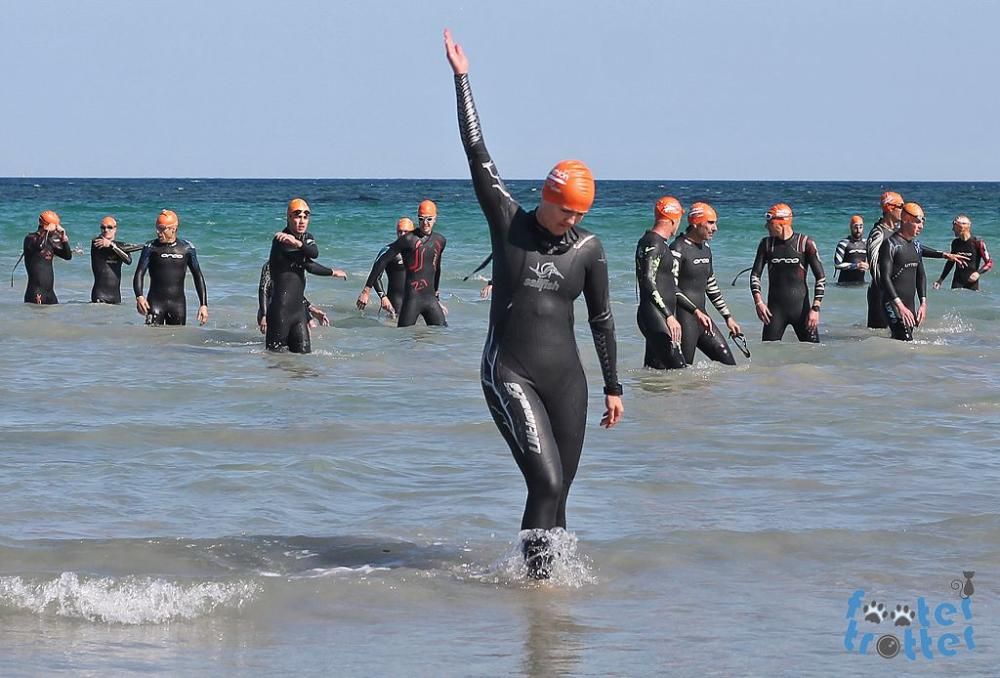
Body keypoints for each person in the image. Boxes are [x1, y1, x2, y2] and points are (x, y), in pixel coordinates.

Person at [445, 28, 623, 579]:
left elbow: (601, 318)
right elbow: (478, 153)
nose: (572, 221)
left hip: (567, 380)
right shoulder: (509, 222)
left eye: (579, 214)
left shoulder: (589, 250)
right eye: (566, 211)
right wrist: (462, 78)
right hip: (509, 369)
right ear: (547, 198)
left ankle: (547, 605)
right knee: (543, 482)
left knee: (561, 492)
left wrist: (615, 386)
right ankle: (537, 585)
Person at [867, 191, 967, 327]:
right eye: (901, 206)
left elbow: (911, 249)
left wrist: (944, 255)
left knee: (894, 335)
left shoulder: (896, 232)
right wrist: (887, 291)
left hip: (894, 292)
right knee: (878, 334)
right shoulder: (878, 233)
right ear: (889, 208)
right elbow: (873, 265)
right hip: (881, 293)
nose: (904, 209)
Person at [262, 198, 347, 353]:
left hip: (299, 312)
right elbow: (308, 265)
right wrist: (332, 272)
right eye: (297, 216)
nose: (301, 221)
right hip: (280, 311)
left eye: (305, 216)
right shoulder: (281, 239)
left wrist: (299, 244)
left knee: (304, 363)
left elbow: (314, 253)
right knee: (276, 362)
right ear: (288, 217)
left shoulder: (306, 237)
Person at [357, 200, 448, 327]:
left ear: (435, 219)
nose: (425, 223)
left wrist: (437, 296)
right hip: (411, 300)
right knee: (403, 337)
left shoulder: (440, 240)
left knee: (443, 332)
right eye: (421, 219)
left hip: (430, 299)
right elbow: (381, 262)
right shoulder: (406, 241)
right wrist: (367, 290)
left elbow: (436, 268)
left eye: (429, 219)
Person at [671, 202, 741, 365]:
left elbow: (711, 286)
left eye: (715, 223)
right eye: (710, 222)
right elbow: (671, 288)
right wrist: (694, 311)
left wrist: (728, 317)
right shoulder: (678, 248)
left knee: (729, 365)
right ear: (695, 223)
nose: (715, 228)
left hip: (703, 319)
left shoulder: (705, 249)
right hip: (684, 320)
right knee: (683, 372)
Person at [749, 203, 825, 342]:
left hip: (802, 312)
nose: (766, 227)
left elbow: (820, 277)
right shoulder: (766, 244)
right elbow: (755, 275)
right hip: (774, 313)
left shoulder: (805, 243)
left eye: (769, 223)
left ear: (781, 223)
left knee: (814, 354)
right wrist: (758, 302)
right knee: (768, 354)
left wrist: (815, 309)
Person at [133, 209, 209, 325]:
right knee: (152, 339)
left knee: (176, 340)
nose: (158, 232)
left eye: (162, 228)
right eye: (157, 228)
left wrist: (203, 305)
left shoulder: (187, 248)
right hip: (155, 303)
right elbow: (139, 273)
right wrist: (139, 296)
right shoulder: (150, 247)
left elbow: (197, 276)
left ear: (173, 229)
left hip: (178, 305)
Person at [634, 196, 685, 369]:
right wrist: (668, 315)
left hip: (654, 316)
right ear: (673, 219)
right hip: (655, 316)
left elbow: (667, 285)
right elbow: (647, 280)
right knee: (679, 371)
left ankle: (649, 397)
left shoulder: (652, 241)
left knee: (655, 372)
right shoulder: (654, 243)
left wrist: (695, 311)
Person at [878, 202, 928, 341]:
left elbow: (921, 276)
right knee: (905, 339)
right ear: (905, 220)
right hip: (892, 302)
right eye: (917, 222)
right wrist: (899, 305)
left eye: (922, 223)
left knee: (902, 343)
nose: (921, 227)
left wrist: (923, 303)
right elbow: (885, 278)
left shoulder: (916, 246)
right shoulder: (890, 244)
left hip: (910, 304)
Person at [22, 210, 72, 304]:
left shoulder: (49, 242)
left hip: (50, 293)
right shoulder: (30, 239)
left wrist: (64, 239)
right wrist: (47, 230)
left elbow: (67, 256)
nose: (56, 230)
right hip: (36, 293)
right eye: (54, 227)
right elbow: (39, 246)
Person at [90, 215, 144, 303]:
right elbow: (127, 248)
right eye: (103, 228)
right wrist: (143, 246)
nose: (106, 230)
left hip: (116, 296)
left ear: (115, 229)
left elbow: (128, 261)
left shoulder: (118, 246)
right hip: (100, 295)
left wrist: (112, 246)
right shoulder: (96, 243)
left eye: (109, 227)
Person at [369, 217, 415, 318]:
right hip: (395, 305)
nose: (402, 235)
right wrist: (383, 297)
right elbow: (375, 276)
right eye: (400, 232)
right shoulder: (388, 251)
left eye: (406, 232)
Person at [934, 215, 992, 290]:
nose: (952, 229)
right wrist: (940, 280)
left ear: (961, 227)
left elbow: (989, 263)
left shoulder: (978, 243)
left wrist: (978, 273)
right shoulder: (955, 243)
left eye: (954, 227)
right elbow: (950, 262)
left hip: (972, 283)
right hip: (957, 282)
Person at [833, 215, 868, 286]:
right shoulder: (843, 243)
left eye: (860, 227)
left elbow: (875, 262)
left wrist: (868, 266)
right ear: (851, 227)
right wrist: (856, 266)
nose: (858, 230)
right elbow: (837, 264)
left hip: (861, 284)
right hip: (844, 284)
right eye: (856, 227)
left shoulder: (866, 243)